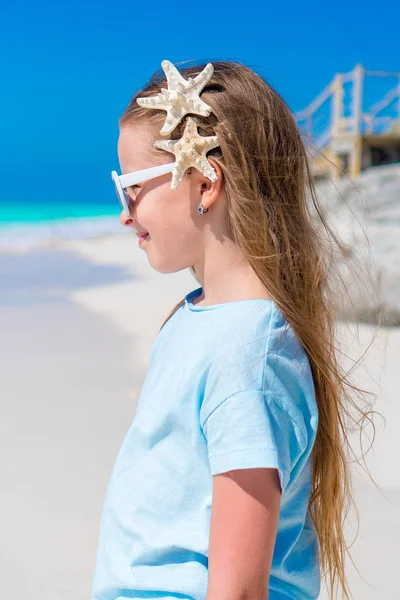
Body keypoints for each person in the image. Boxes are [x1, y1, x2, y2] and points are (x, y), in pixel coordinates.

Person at [91, 59, 372, 600]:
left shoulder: (247, 357)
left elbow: (238, 591)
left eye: (130, 188)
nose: (125, 214)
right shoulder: (199, 319)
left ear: (205, 181)